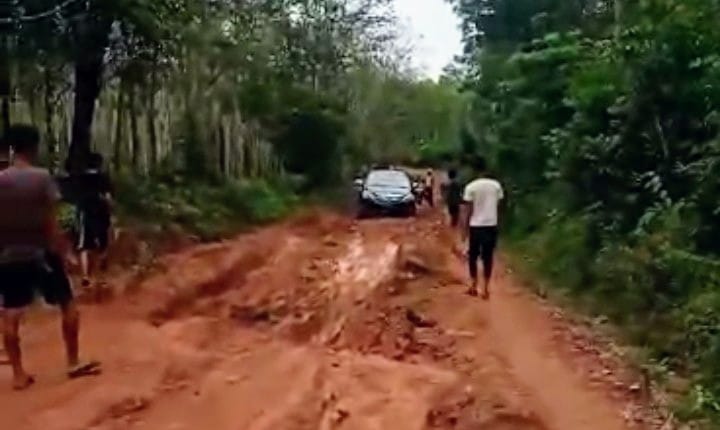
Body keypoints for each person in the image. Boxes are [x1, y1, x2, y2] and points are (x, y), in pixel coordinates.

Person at [0, 125, 99, 390]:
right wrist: (66, 252)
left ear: (11, 148)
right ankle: (73, 361)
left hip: (9, 254)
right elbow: (51, 221)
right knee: (67, 304)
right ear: (33, 147)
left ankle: (19, 374)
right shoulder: (42, 178)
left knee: (10, 313)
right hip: (43, 252)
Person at [459, 156, 504, 299]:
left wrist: (464, 231)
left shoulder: (471, 187)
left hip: (476, 226)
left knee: (473, 257)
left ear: (473, 170)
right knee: (488, 257)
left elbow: (467, 210)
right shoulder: (496, 186)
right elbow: (499, 206)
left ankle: (473, 285)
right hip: (491, 225)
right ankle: (486, 288)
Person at [75, 152, 113, 288]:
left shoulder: (81, 178)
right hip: (102, 213)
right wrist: (111, 211)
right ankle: (102, 277)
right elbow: (108, 197)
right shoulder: (104, 177)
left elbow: (75, 196)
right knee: (103, 245)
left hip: (85, 213)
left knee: (84, 247)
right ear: (99, 163)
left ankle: (85, 276)